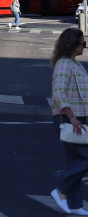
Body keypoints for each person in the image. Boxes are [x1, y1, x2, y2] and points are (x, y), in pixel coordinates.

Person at [50, 27, 88, 214]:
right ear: (74, 44)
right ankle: (61, 189)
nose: (85, 46)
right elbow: (59, 92)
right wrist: (72, 117)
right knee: (85, 158)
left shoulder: (75, 64)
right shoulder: (64, 64)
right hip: (69, 118)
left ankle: (74, 205)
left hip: (77, 118)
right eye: (83, 43)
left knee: (75, 161)